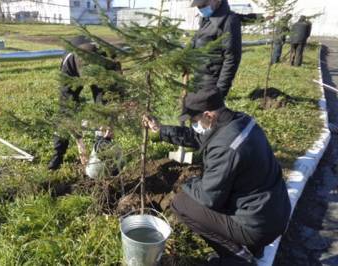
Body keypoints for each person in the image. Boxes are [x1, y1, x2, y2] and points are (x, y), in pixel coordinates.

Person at [142, 89, 291, 265]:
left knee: (181, 204)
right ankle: (253, 246)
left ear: (208, 115)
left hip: (258, 223)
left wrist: (188, 183)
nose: (193, 125)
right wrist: (161, 130)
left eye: (194, 121)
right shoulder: (240, 121)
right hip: (274, 210)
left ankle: (236, 256)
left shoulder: (226, 147)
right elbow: (197, 137)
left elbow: (208, 198)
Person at [48, 35, 121, 170]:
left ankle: (101, 149)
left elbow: (116, 93)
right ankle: (57, 155)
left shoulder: (109, 60)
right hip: (74, 69)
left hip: (103, 70)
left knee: (104, 107)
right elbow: (67, 107)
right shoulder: (69, 64)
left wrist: (110, 121)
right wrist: (80, 143)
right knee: (65, 111)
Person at [190, 0, 242, 98]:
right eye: (198, 6)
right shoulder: (207, 19)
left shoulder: (229, 21)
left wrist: (219, 92)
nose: (201, 8)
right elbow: (197, 40)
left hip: (212, 81)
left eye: (203, 5)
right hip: (198, 78)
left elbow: (231, 59)